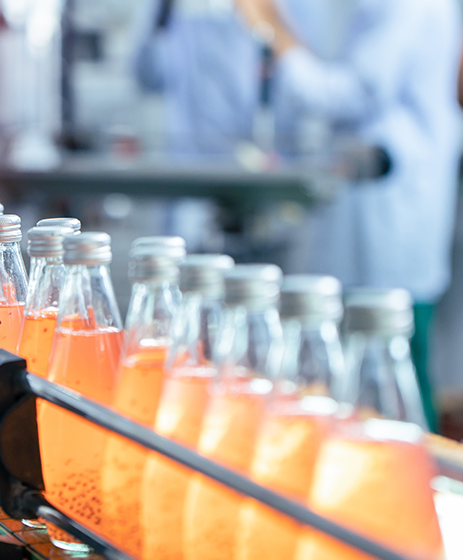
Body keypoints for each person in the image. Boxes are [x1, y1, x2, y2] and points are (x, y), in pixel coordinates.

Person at [135, 0, 463, 431]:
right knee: (363, 383)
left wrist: (272, 24)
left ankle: (418, 488)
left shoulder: (407, 7)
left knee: (393, 385)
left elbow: (345, 96)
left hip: (386, 214)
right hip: (367, 213)